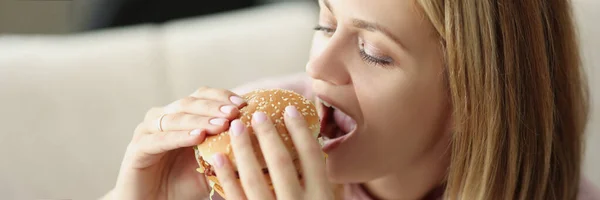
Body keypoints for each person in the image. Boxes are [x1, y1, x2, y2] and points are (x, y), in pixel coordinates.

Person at [102, 0, 600, 199]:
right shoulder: (246, 143)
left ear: (475, 99)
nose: (317, 67)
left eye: (371, 52)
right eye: (326, 23)